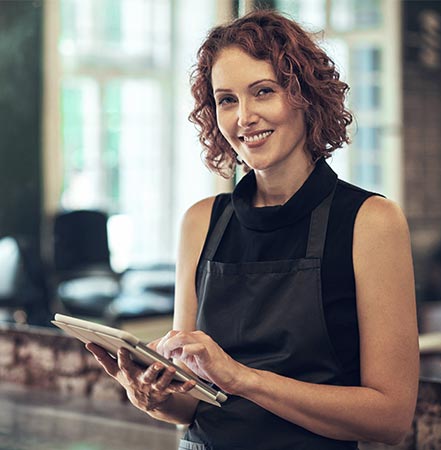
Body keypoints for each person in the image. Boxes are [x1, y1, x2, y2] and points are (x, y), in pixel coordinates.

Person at [86, 10, 419, 450]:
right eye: (226, 100)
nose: (244, 117)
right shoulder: (201, 221)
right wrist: (152, 397)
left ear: (306, 97)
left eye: (263, 91)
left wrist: (242, 378)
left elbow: (391, 418)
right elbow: (193, 405)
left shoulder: (370, 221)